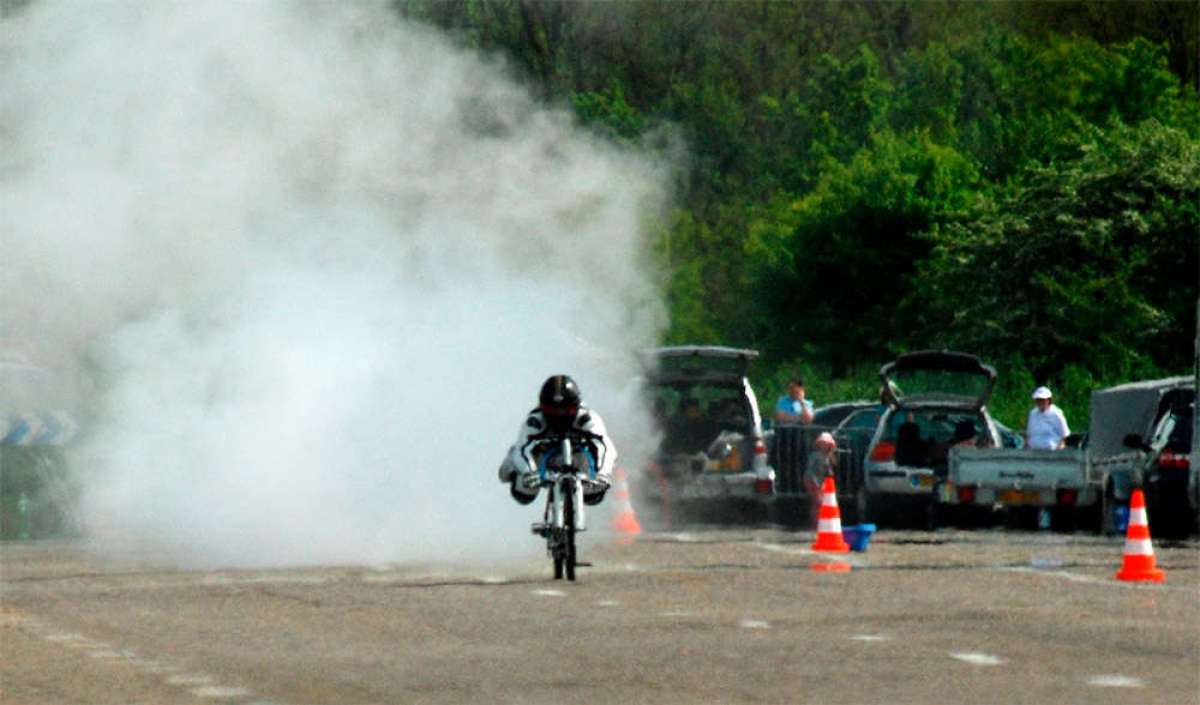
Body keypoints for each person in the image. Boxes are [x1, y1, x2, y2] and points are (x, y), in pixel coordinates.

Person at [498, 375, 617, 506]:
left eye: (567, 410)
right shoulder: (535, 421)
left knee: (593, 494)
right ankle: (515, 470)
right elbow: (522, 448)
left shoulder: (587, 419)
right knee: (524, 493)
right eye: (552, 410)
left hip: (577, 456)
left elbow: (605, 446)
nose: (560, 415)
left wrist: (602, 473)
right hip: (543, 457)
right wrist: (528, 472)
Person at [804, 432, 838, 528]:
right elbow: (810, 470)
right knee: (817, 502)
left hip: (819, 481)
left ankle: (818, 521)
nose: (824, 446)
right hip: (811, 480)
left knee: (819, 502)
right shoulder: (815, 455)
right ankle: (815, 523)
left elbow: (829, 471)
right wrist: (815, 483)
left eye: (826, 444)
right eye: (822, 443)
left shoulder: (828, 457)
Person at [1025, 386, 1070, 450]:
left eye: (1042, 400)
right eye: (1038, 400)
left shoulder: (1056, 413)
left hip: (1051, 452)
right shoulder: (1032, 413)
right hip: (1033, 452)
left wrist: (1059, 452)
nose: (1040, 402)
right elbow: (1029, 434)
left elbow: (1064, 435)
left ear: (1049, 400)